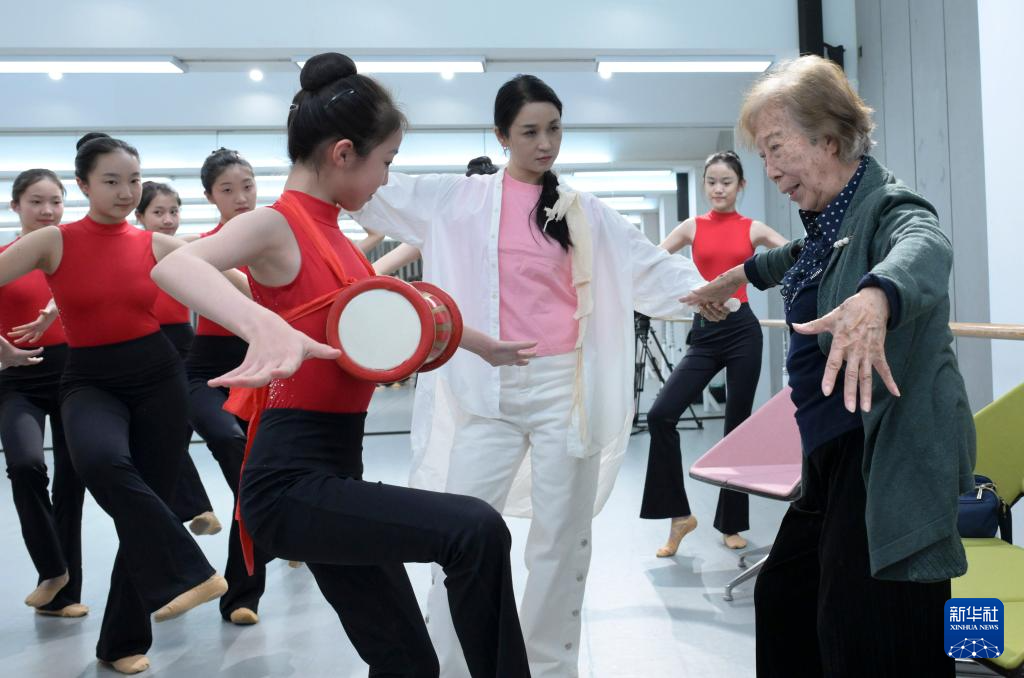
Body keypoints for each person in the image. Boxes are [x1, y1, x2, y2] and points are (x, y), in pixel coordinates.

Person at [152, 52, 531, 677]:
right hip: (291, 483)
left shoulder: (339, 239)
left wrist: (482, 345)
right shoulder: (277, 224)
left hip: (333, 478)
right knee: (475, 531)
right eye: (387, 162)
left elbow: (399, 311)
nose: (386, 179)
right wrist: (262, 325)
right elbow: (175, 266)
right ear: (344, 153)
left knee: (408, 665)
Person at [351, 74, 708, 678]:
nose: (545, 144)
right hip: (485, 392)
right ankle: (450, 665)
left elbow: (648, 265)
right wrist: (334, 131)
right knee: (458, 530)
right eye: (530, 132)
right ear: (500, 136)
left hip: (563, 390)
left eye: (554, 129)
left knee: (561, 536)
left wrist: (711, 294)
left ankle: (547, 667)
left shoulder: (583, 211)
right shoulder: (456, 199)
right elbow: (368, 191)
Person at [683, 55, 974, 677]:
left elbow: (925, 244)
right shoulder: (828, 225)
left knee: (870, 630)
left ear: (829, 140)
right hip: (831, 455)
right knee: (785, 597)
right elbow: (792, 258)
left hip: (883, 455)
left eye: (776, 147)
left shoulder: (888, 206)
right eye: (763, 154)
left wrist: (877, 296)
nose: (770, 169)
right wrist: (732, 278)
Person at [0, 133, 228, 675]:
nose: (127, 192)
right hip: (89, 379)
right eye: (111, 181)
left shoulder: (152, 243)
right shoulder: (53, 240)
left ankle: (121, 643)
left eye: (134, 180)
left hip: (159, 378)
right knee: (99, 461)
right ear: (83, 185)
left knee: (143, 505)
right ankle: (189, 571)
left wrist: (280, 310)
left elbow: (230, 276)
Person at [640, 151, 787, 555]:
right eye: (711, 182)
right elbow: (652, 263)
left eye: (727, 182)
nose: (718, 189)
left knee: (737, 425)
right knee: (660, 414)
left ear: (741, 185)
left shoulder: (753, 228)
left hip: (743, 332)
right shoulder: (692, 227)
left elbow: (794, 254)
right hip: (704, 333)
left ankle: (732, 523)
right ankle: (679, 517)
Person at [182, 148, 274, 624]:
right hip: (206, 370)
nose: (241, 197)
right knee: (229, 442)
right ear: (210, 196)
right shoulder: (203, 248)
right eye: (227, 190)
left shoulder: (274, 245)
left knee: (250, 484)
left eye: (248, 186)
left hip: (259, 367)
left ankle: (242, 596)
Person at [0, 169, 87, 618]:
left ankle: (63, 597)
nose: (48, 210)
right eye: (36, 201)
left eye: (56, 201)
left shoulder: (72, 259)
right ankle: (52, 570)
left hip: (73, 377)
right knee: (25, 464)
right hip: (17, 380)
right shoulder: (4, 258)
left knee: (72, 484)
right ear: (15, 205)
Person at [136, 181, 222, 537]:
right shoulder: (133, 252)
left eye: (173, 211)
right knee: (161, 431)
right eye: (158, 212)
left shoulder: (185, 249)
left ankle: (188, 509)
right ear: (139, 215)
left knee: (175, 430)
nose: (168, 220)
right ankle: (192, 508)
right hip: (145, 345)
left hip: (183, 342)